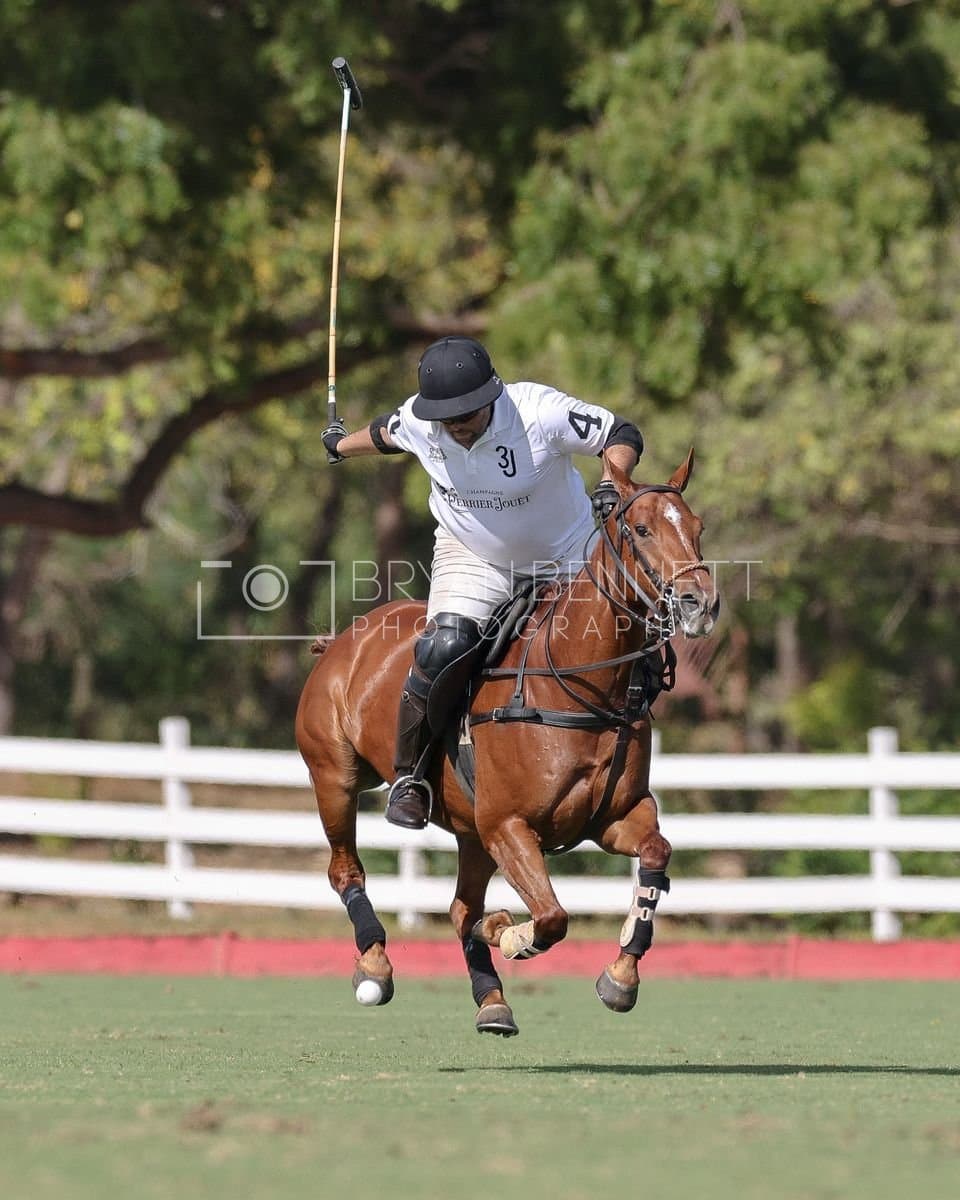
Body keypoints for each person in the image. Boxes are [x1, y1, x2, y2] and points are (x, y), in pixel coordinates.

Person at [321, 336, 642, 829]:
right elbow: (384, 433)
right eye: (446, 416)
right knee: (440, 648)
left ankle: (624, 766)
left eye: (466, 412)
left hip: (567, 555)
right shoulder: (420, 422)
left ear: (492, 394)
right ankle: (412, 777)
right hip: (473, 556)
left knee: (626, 642)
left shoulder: (538, 411)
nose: (457, 424)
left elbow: (619, 431)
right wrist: (340, 445)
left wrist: (609, 479)